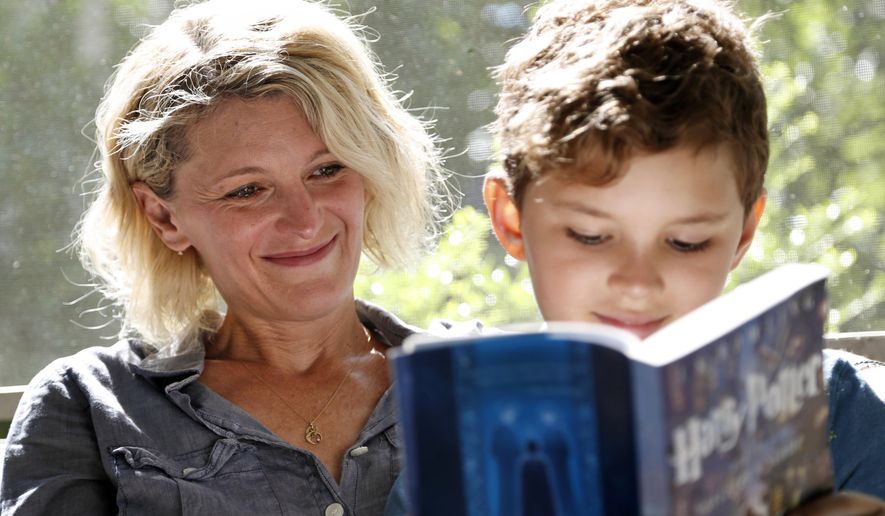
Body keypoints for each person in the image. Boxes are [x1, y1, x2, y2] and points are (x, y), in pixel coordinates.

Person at [386, 0, 885, 514]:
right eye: (589, 235)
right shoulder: (452, 457)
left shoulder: (844, 417)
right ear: (512, 220)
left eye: (686, 242)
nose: (638, 283)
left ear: (743, 234)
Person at [0, 0, 448, 514]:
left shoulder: (479, 376)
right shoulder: (85, 404)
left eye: (327, 170)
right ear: (164, 218)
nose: (304, 220)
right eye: (248, 190)